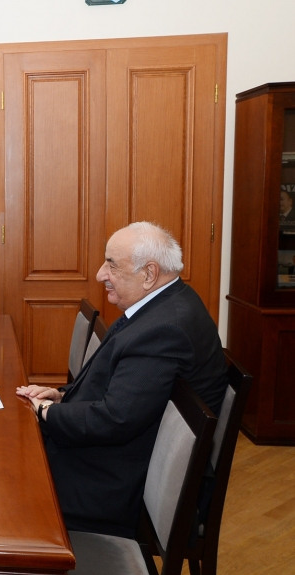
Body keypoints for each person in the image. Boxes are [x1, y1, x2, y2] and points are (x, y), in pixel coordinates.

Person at [16, 222, 228, 539]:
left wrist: (45, 411)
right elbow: (117, 386)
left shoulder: (165, 329)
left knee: (7, 484)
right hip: (118, 457)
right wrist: (62, 397)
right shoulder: (164, 303)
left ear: (149, 274)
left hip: (115, 484)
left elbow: (115, 418)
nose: (101, 274)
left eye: (111, 265)